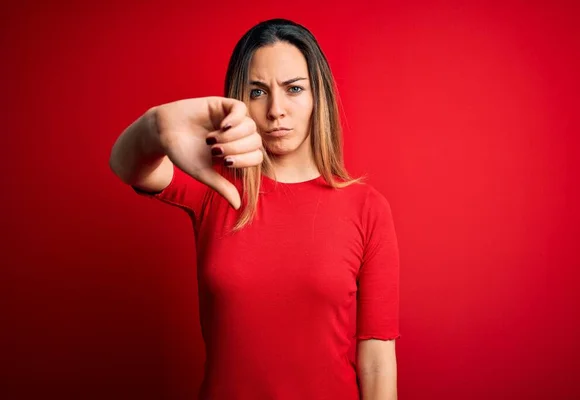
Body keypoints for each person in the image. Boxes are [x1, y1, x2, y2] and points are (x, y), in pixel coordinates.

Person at [109, 18, 400, 400]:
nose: (276, 110)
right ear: (238, 100)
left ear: (318, 98)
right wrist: (156, 125)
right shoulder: (214, 184)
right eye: (258, 92)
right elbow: (125, 165)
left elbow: (377, 360)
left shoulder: (367, 208)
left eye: (294, 89)